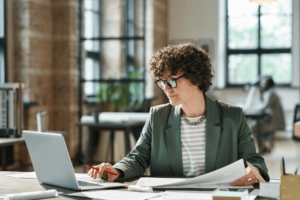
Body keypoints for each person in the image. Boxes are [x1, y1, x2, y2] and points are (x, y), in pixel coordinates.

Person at [88, 44, 270, 186]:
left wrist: (254, 172)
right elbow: (138, 158)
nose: (166, 89)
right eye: (162, 82)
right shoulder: (158, 116)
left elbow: (254, 161)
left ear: (195, 77)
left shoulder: (233, 116)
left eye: (172, 81)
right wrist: (116, 170)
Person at [251, 76, 285, 152]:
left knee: (253, 126)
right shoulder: (271, 92)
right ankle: (262, 147)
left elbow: (264, 107)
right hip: (271, 119)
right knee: (254, 124)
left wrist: (252, 108)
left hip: (273, 122)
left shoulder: (271, 93)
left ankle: (262, 147)